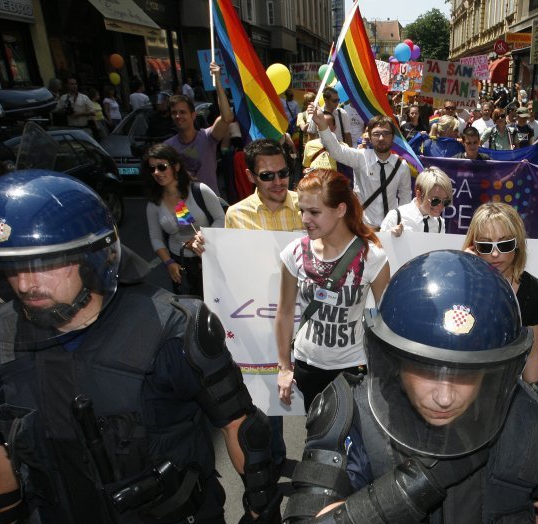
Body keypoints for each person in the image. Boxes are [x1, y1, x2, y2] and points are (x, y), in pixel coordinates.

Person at [0, 170, 281, 524]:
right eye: (12, 268)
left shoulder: (172, 328)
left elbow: (240, 424)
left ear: (92, 258)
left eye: (44, 264)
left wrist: (260, 507)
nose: (25, 284)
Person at [283, 249, 538, 524]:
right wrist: (424, 479)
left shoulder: (535, 420)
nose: (445, 396)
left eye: (467, 373)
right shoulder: (353, 416)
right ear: (395, 360)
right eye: (426, 370)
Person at [274, 169, 391, 413]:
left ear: (340, 209)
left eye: (314, 212)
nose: (305, 219)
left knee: (356, 444)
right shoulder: (294, 252)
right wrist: (284, 367)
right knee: (317, 441)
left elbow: (388, 320)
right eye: (302, 211)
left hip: (354, 366)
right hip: (308, 365)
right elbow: (284, 312)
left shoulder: (372, 257)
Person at [222, 138, 300, 474]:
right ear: (251, 176)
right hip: (262, 319)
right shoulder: (236, 216)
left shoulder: (307, 205)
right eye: (268, 176)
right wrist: (206, 250)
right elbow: (228, 266)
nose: (278, 181)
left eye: (283, 173)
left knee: (320, 396)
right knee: (270, 395)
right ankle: (274, 459)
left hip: (308, 318)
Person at [462, 203, 538, 384]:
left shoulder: (534, 290)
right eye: (485, 246)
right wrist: (464, 269)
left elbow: (531, 354)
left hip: (506, 389)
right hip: (462, 383)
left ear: (517, 245)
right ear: (473, 246)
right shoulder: (461, 286)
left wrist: (536, 396)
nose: (494, 253)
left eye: (505, 244)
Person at [144, 143, 225, 297]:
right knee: (190, 308)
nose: (156, 172)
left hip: (209, 257)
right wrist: (169, 263)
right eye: (152, 168)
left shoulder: (199, 190)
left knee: (218, 301)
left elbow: (221, 218)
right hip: (180, 263)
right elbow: (155, 237)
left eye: (162, 167)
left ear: (176, 166)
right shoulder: (154, 203)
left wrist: (204, 236)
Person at [311, 107, 413, 229]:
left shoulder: (402, 166)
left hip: (391, 230)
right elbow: (336, 151)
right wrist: (322, 124)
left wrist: (401, 224)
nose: (381, 138)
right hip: (362, 227)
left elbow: (405, 200)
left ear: (393, 137)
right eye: (376, 134)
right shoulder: (360, 157)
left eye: (386, 133)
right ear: (369, 137)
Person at [164, 63, 234, 197]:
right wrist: (181, 214)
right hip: (184, 208)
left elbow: (227, 117)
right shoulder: (168, 147)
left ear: (193, 115)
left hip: (211, 207)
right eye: (174, 113)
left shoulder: (208, 137)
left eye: (182, 112)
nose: (178, 116)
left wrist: (218, 80)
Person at [384, 166, 451, 236]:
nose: (440, 206)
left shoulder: (439, 223)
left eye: (445, 201)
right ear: (419, 195)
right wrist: (388, 236)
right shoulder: (396, 216)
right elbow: (377, 245)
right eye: (435, 200)